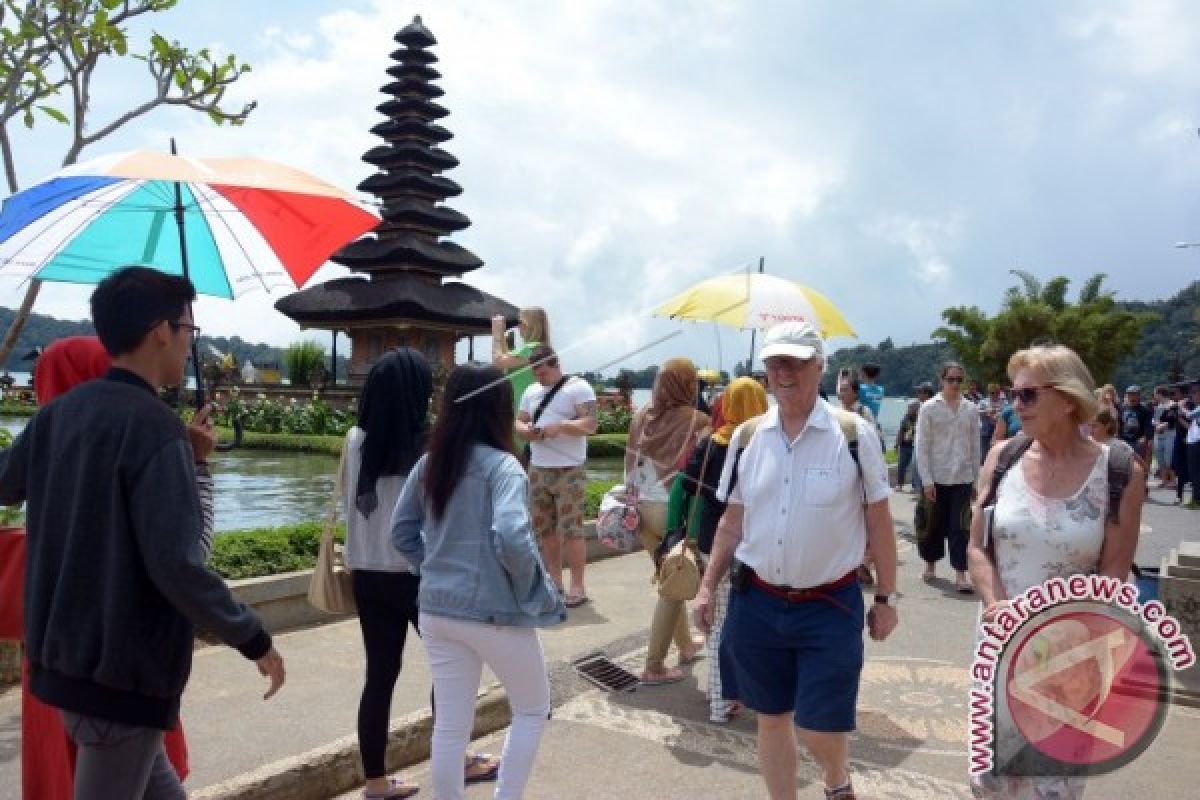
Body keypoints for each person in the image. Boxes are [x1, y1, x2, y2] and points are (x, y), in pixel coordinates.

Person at [0, 267, 285, 799]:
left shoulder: (56, 415)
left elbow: (5, 482)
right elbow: (178, 563)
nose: (187, 343)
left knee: (157, 786)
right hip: (121, 672)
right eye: (189, 329)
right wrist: (251, 636)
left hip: (64, 659)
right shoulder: (154, 429)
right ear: (161, 330)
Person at [693, 321, 898, 800]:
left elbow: (881, 521)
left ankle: (835, 778)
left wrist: (886, 596)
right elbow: (731, 521)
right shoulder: (747, 437)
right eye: (774, 362)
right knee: (771, 719)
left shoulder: (853, 434)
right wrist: (707, 586)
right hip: (758, 601)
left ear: (820, 366)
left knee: (820, 726)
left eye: (795, 361)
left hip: (830, 603)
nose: (783, 371)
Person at [13, 336, 208, 800]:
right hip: (115, 669)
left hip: (51, 661)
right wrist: (196, 468)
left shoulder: (48, 454)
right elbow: (188, 558)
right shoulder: (133, 445)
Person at [967, 345, 1145, 799]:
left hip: (1071, 658)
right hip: (1000, 648)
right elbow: (976, 547)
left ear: (1067, 399)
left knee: (1052, 788)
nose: (1013, 405)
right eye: (1012, 394)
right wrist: (995, 605)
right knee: (991, 785)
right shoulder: (1002, 458)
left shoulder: (1119, 471)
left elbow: (1114, 573)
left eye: (1027, 395)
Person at [391, 363, 565, 800]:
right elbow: (512, 535)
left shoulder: (432, 462)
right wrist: (527, 587)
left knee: (451, 725)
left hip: (436, 608)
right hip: (493, 612)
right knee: (532, 708)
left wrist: (432, 567)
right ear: (500, 408)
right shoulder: (504, 466)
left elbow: (400, 533)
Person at [665, 377, 767, 723]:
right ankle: (724, 697)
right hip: (756, 543)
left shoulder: (713, 443)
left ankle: (720, 689)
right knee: (740, 619)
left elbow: (685, 482)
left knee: (718, 617)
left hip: (714, 542)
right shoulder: (767, 443)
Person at [625, 357, 710, 685]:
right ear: (689, 386)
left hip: (640, 510)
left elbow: (629, 466)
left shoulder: (641, 415)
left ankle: (686, 646)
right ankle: (654, 666)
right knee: (674, 584)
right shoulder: (699, 421)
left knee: (670, 577)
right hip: (674, 512)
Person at [514, 344, 598, 606]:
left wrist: (561, 426)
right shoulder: (531, 391)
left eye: (542, 373)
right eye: (535, 374)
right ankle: (554, 580)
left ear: (555, 366)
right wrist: (526, 430)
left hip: (569, 468)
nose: (539, 378)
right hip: (539, 467)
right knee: (545, 528)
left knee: (572, 528)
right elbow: (519, 421)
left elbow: (591, 424)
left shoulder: (578, 387)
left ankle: (578, 585)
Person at [915, 361, 981, 593]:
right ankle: (930, 564)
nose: (954, 384)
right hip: (936, 475)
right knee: (931, 524)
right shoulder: (929, 408)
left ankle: (960, 574)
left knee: (960, 527)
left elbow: (975, 446)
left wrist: (976, 479)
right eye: (950, 379)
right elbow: (921, 445)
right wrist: (926, 480)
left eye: (958, 380)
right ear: (941, 380)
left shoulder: (971, 409)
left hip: (962, 476)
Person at [492, 307, 551, 415]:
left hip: (521, 412)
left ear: (529, 326)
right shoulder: (539, 348)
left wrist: (496, 336)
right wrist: (501, 334)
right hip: (528, 410)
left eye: (520, 322)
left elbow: (498, 364)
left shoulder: (531, 348)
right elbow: (506, 358)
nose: (518, 326)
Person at [1118, 385, 1154, 466]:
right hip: (1124, 441)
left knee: (1138, 465)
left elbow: (1149, 426)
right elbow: (1119, 423)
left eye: (1134, 395)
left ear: (1139, 396)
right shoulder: (1123, 409)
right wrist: (1119, 437)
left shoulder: (1145, 410)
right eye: (1129, 395)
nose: (1132, 397)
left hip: (1137, 442)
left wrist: (1145, 437)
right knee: (1124, 465)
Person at [1153, 385, 1177, 488]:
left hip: (1169, 435)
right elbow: (1154, 419)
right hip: (1159, 436)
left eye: (1155, 394)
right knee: (1160, 459)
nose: (1154, 396)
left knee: (1169, 459)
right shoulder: (1158, 406)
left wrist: (1162, 425)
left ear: (1159, 394)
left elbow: (1173, 420)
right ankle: (1164, 480)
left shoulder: (1172, 405)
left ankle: (1173, 481)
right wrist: (1156, 424)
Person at [894, 400, 919, 491]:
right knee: (901, 466)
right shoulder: (905, 418)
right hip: (905, 445)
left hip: (915, 446)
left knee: (914, 467)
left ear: (916, 408)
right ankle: (899, 484)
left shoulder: (920, 418)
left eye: (910, 407)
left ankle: (914, 486)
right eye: (908, 407)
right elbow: (901, 431)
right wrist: (897, 444)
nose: (908, 409)